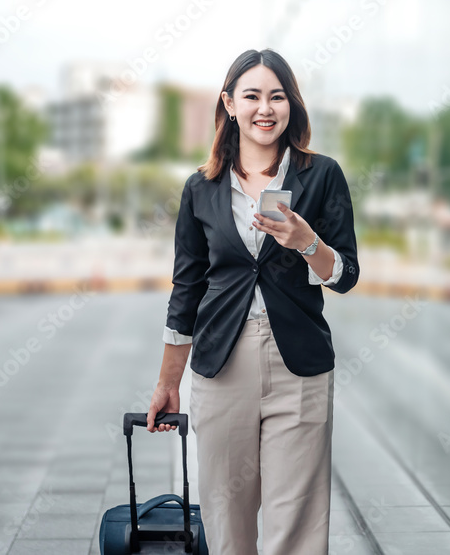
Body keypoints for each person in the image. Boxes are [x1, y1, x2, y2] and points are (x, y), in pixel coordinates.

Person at [145, 48, 360, 555]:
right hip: (222, 364)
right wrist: (167, 383)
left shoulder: (321, 174)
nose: (266, 108)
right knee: (226, 521)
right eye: (253, 96)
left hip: (299, 368)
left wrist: (308, 243)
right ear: (230, 104)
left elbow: (346, 275)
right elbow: (187, 288)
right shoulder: (203, 187)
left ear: (292, 105)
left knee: (298, 525)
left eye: (278, 96)